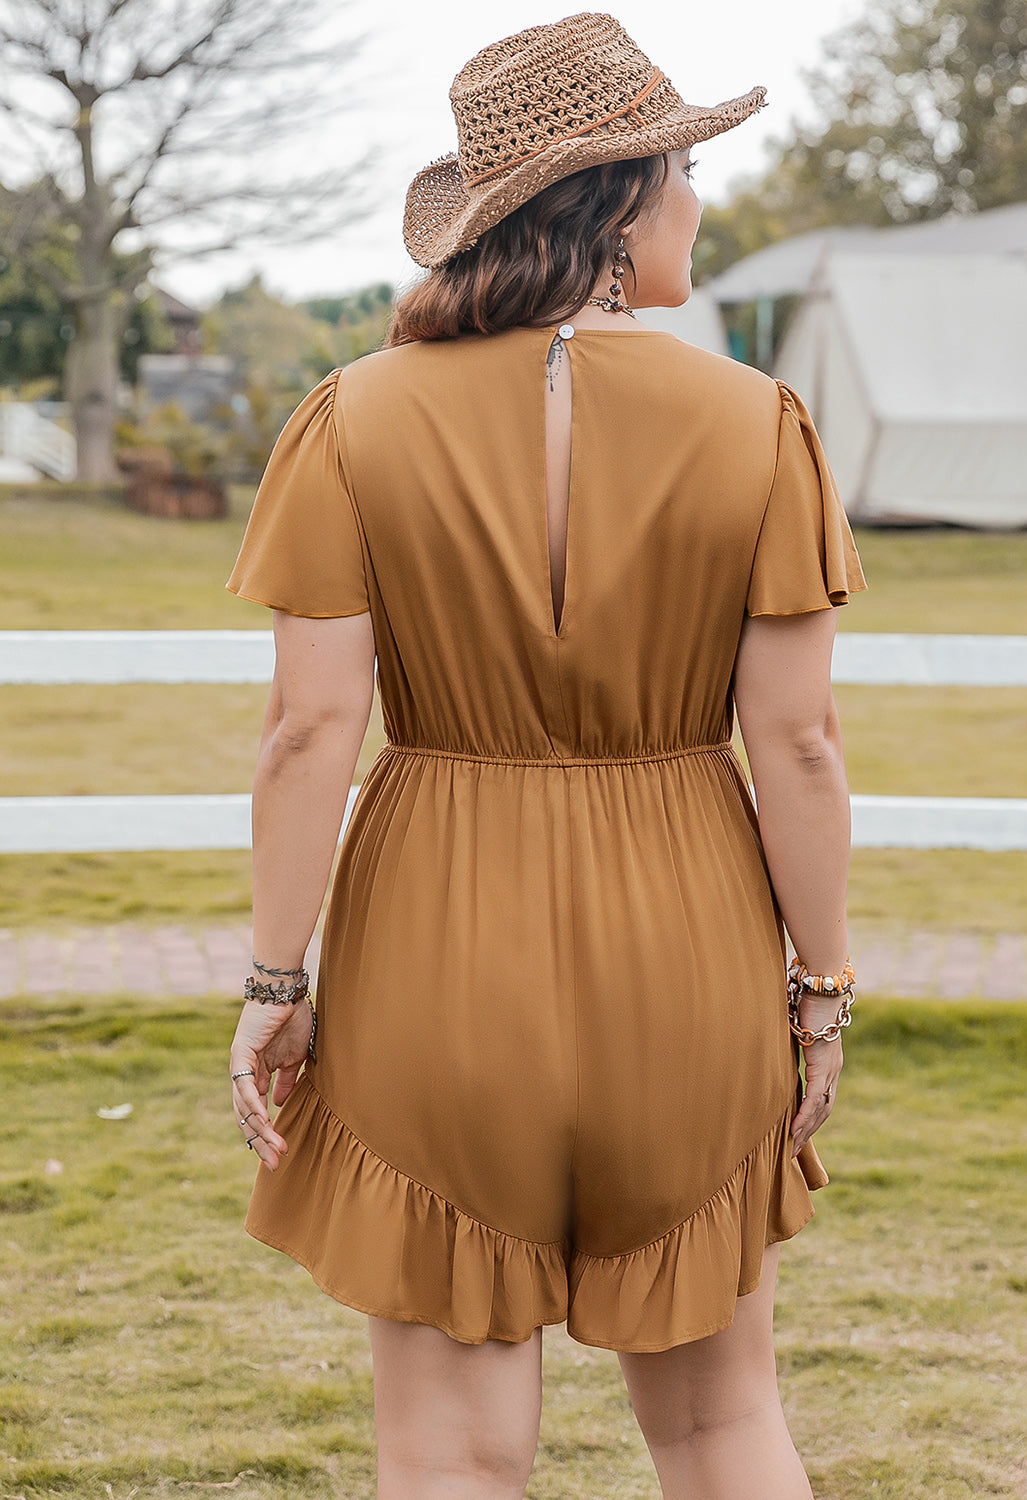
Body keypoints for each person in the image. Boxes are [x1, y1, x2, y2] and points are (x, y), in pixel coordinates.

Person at [226, 13, 865, 1498]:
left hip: (433, 949)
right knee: (719, 1429)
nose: (701, 202)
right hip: (688, 949)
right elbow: (804, 748)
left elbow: (310, 729)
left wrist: (274, 983)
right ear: (627, 202)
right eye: (687, 171)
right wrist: (817, 991)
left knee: (450, 1453)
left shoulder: (353, 417)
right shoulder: (756, 422)